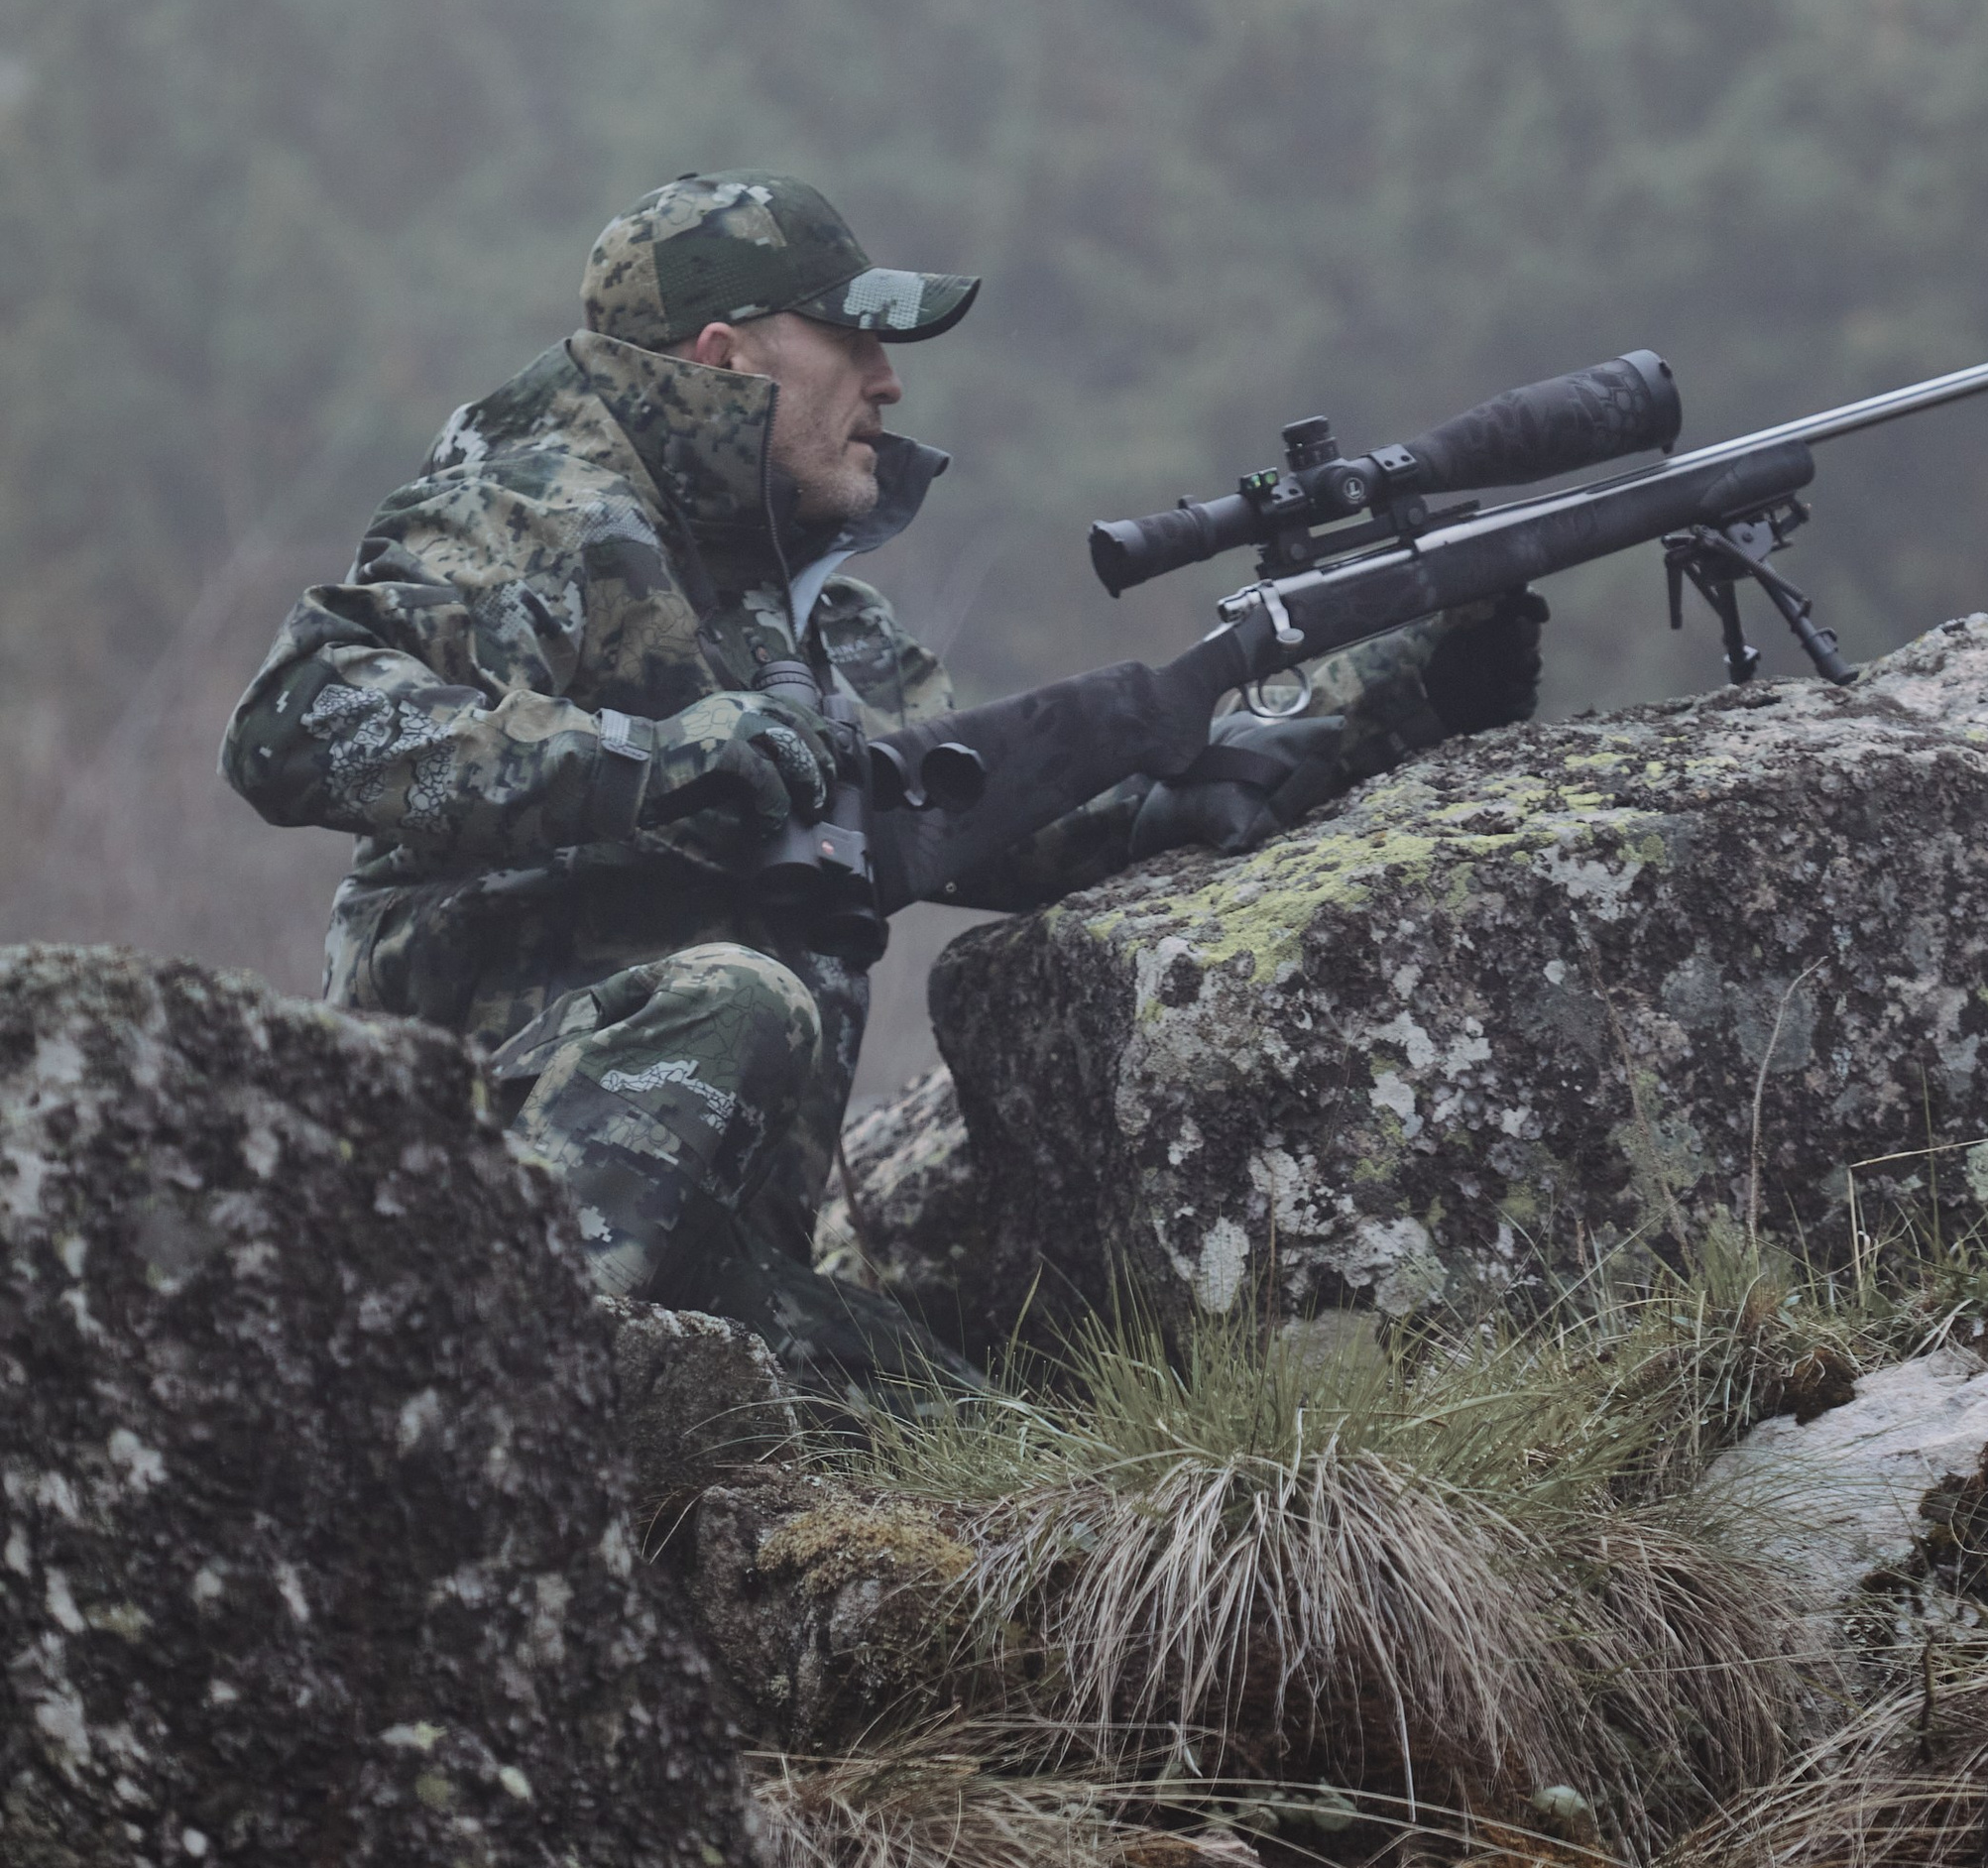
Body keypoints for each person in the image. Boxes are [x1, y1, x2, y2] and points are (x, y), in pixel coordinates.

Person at [221, 173, 1543, 1394]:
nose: (889, 381)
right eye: (850, 340)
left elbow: (1045, 818)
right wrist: (666, 759)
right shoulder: (537, 508)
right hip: (469, 1183)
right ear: (724, 359)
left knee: (980, 1446)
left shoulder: (820, 628)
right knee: (737, 997)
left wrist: (1413, 670)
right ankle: (478, 1394)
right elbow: (297, 718)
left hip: (703, 1250)